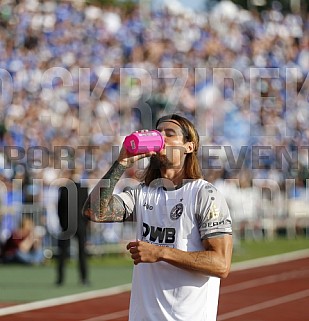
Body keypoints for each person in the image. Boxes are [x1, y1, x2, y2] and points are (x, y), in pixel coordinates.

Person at [83, 114, 233, 321]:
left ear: (189, 146)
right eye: (158, 132)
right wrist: (121, 163)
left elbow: (221, 264)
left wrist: (161, 252)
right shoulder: (141, 193)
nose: (161, 137)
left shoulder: (204, 194)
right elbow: (95, 212)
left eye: (169, 134)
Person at [56, 170, 90, 286]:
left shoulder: (64, 189)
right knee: (82, 252)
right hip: (80, 224)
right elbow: (87, 209)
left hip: (67, 225)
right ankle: (84, 278)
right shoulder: (83, 189)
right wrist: (85, 223)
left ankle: (60, 279)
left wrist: (63, 223)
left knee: (63, 252)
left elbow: (59, 209)